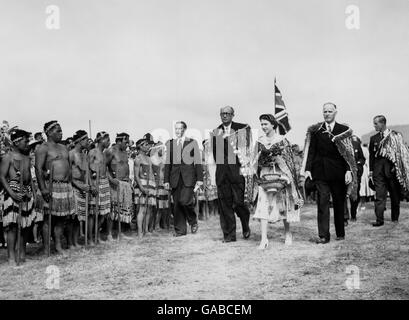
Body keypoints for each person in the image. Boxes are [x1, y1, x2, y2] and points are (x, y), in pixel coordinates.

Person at [302, 103, 358, 243]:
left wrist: (348, 170)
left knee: (339, 203)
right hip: (320, 173)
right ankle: (323, 235)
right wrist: (308, 169)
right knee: (322, 203)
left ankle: (340, 233)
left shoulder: (343, 130)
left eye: (330, 111)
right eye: (325, 111)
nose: (327, 113)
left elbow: (348, 154)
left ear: (335, 112)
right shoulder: (316, 130)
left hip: (338, 173)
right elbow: (312, 151)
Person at [253, 115, 304, 249]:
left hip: (280, 174)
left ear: (273, 125)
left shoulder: (282, 140)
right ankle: (264, 239)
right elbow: (255, 160)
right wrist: (260, 160)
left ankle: (288, 233)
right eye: (262, 124)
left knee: (283, 204)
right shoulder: (259, 141)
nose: (263, 127)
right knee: (263, 204)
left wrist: (287, 176)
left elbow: (289, 161)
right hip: (265, 175)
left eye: (266, 124)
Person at [211, 106, 251, 243]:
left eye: (227, 113)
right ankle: (229, 235)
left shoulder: (243, 128)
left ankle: (245, 223)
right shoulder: (215, 132)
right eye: (222, 113)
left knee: (239, 203)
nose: (224, 116)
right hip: (222, 174)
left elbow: (246, 149)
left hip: (237, 173)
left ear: (233, 115)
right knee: (225, 205)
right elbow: (216, 156)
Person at [35, 121, 75, 254]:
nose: (61, 133)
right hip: (50, 186)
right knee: (48, 219)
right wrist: (43, 188)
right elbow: (38, 169)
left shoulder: (64, 148)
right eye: (58, 131)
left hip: (64, 187)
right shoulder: (43, 148)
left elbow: (68, 166)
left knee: (61, 219)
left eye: (61, 130)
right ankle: (46, 248)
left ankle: (58, 245)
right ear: (49, 132)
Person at [0, 129, 36, 264]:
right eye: (25, 141)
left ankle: (22, 254)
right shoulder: (8, 157)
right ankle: (10, 257)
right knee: (13, 226)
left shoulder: (26, 157)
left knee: (26, 225)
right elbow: (2, 177)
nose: (27, 143)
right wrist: (13, 193)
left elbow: (30, 178)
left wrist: (33, 192)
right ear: (16, 142)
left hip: (26, 192)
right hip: (13, 192)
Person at [164, 121, 203, 237]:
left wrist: (199, 179)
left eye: (180, 129)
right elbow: (168, 164)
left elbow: (198, 162)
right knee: (176, 204)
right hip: (175, 178)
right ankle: (180, 230)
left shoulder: (192, 142)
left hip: (189, 178)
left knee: (185, 201)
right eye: (176, 129)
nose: (177, 131)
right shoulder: (170, 144)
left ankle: (193, 220)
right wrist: (166, 180)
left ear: (184, 129)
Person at [369, 115, 409, 226]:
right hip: (378, 172)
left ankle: (395, 218)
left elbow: (401, 154)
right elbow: (372, 156)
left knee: (394, 196)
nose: (374, 125)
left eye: (376, 123)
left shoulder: (395, 136)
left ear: (383, 123)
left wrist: (397, 168)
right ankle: (379, 220)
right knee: (379, 196)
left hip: (392, 171)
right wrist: (371, 172)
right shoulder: (373, 138)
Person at [70, 130, 96, 247]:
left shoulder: (85, 155)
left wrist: (91, 186)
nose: (87, 142)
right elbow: (67, 174)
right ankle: (73, 242)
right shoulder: (70, 154)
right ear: (80, 141)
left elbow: (87, 173)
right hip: (74, 187)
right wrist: (78, 185)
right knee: (75, 217)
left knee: (87, 214)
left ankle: (88, 238)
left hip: (85, 187)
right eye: (86, 140)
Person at [105, 132, 133, 240]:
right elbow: (103, 166)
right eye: (125, 142)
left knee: (122, 209)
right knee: (113, 209)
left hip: (125, 183)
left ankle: (120, 232)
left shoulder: (125, 152)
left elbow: (126, 166)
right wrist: (111, 179)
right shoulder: (111, 151)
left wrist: (129, 180)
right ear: (120, 141)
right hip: (115, 184)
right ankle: (109, 234)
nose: (127, 144)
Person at [88, 131, 112, 242]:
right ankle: (92, 238)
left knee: (104, 212)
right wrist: (92, 185)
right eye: (107, 140)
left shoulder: (104, 153)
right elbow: (87, 170)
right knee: (94, 213)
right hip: (95, 183)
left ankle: (97, 235)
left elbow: (105, 169)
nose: (109, 142)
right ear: (101, 140)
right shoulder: (92, 152)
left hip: (104, 182)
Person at [134, 138, 157, 238]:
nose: (148, 146)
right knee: (142, 209)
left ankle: (146, 229)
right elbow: (136, 175)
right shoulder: (138, 158)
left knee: (149, 209)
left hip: (150, 184)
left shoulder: (148, 158)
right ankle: (140, 232)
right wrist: (141, 188)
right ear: (140, 146)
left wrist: (154, 186)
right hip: (142, 184)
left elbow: (151, 172)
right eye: (146, 144)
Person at [345, 135, 365, 222]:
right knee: (343, 195)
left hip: (356, 174)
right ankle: (345, 217)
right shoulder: (339, 145)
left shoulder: (356, 144)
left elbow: (362, 158)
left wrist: (358, 164)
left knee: (355, 195)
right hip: (343, 174)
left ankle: (353, 215)